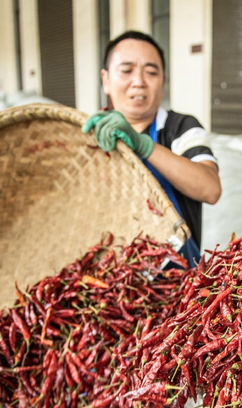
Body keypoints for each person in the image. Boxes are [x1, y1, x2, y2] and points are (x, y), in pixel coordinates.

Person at [82, 31, 221, 265]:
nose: (139, 81)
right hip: (111, 278)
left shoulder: (181, 127)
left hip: (179, 279)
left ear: (163, 82)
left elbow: (210, 189)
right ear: (105, 80)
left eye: (151, 72)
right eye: (126, 71)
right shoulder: (90, 136)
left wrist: (143, 145)